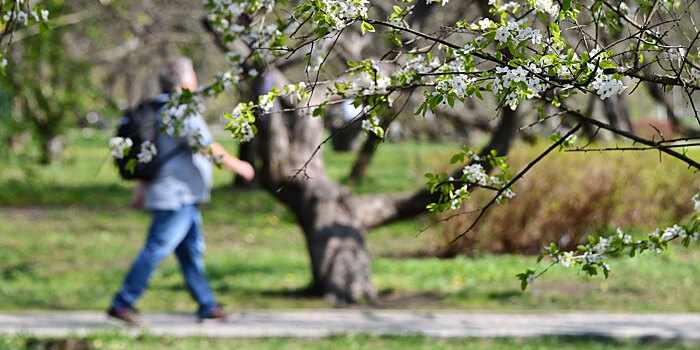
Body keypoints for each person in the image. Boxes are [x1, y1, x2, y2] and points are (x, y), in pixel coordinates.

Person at [108, 57, 254, 324]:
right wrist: (240, 166)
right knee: (156, 249)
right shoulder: (182, 110)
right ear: (186, 82)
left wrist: (141, 189)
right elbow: (204, 145)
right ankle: (122, 303)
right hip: (177, 196)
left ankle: (207, 305)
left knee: (190, 252)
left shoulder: (160, 108)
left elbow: (156, 151)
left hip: (176, 193)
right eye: (194, 76)